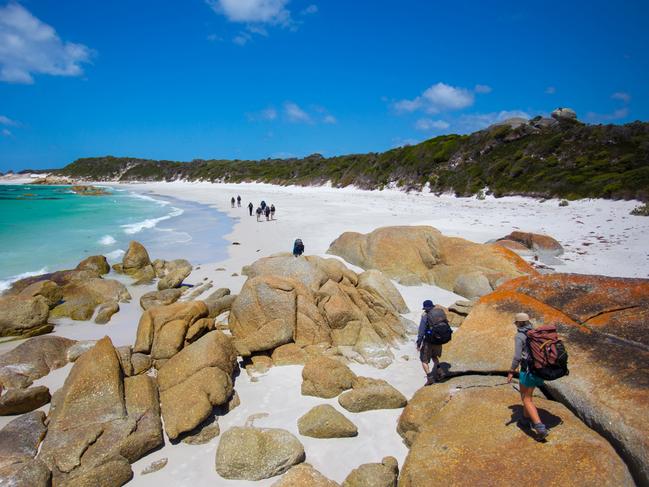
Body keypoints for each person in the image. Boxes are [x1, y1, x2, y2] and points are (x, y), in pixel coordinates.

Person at [507, 312, 549, 440]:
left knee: (526, 399)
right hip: (538, 370)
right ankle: (525, 420)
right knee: (526, 396)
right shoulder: (536, 333)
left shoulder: (520, 336)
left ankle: (539, 427)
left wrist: (511, 371)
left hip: (527, 371)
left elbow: (517, 357)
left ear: (518, 323)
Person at [416, 300, 448, 385]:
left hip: (429, 341)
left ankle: (430, 378)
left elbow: (421, 331)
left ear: (425, 308)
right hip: (438, 340)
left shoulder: (425, 316)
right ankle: (440, 372)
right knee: (434, 356)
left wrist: (419, 343)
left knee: (424, 360)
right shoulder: (439, 313)